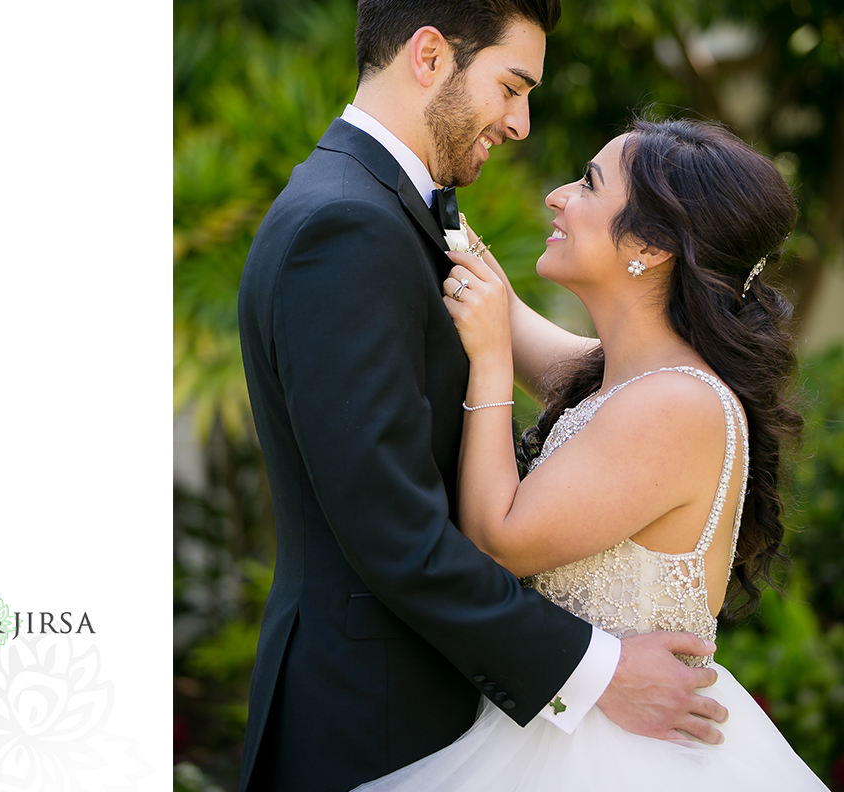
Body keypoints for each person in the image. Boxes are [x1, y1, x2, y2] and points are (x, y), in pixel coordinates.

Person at [237, 0, 726, 792]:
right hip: (369, 724)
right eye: (511, 85)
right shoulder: (345, 228)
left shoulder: (403, 208)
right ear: (429, 55)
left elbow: (596, 379)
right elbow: (395, 532)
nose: (520, 123)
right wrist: (600, 671)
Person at [354, 117, 829, 791]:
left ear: (652, 243)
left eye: (587, 184)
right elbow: (504, 308)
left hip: (615, 757)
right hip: (563, 724)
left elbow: (497, 541)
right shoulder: (627, 375)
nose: (556, 194)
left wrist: (488, 362)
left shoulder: (678, 406)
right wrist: (414, 178)